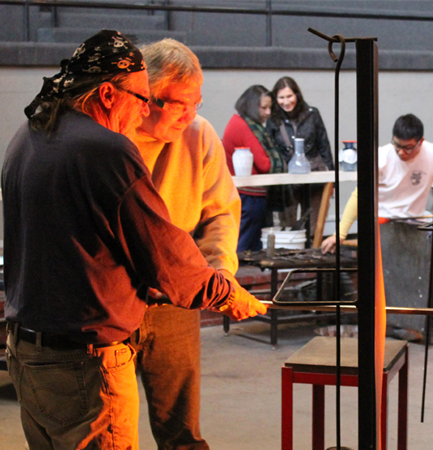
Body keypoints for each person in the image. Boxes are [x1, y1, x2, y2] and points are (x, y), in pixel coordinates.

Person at [2, 30, 266, 450]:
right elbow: (161, 251)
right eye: (145, 99)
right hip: (89, 350)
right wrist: (224, 293)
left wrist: (220, 270)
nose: (144, 110)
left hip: (32, 346)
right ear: (109, 94)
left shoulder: (33, 132)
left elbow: (216, 215)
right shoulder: (105, 148)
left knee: (177, 431)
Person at [131, 38, 253, 450]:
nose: (190, 114)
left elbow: (220, 212)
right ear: (145, 97)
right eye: (180, 103)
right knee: (108, 427)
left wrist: (220, 279)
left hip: (175, 302)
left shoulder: (199, 136)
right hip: (114, 300)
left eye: (196, 102)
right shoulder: (113, 139)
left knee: (180, 429)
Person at [321, 114, 433, 254]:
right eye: (397, 145)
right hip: (382, 224)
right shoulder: (381, 157)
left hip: (415, 224)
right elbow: (359, 196)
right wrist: (339, 234)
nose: (401, 152)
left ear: (421, 141)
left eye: (408, 148)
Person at [266, 76, 333, 236]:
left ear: (297, 95)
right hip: (287, 179)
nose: (286, 101)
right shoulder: (273, 119)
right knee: (287, 225)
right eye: (281, 97)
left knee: (315, 224)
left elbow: (324, 145)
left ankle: (314, 255)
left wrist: (332, 178)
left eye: (289, 96)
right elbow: (270, 150)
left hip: (314, 174)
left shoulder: (312, 114)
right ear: (276, 99)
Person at [222, 85, 285, 251]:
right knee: (245, 248)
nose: (268, 112)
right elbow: (265, 164)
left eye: (269, 107)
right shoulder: (243, 126)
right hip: (249, 196)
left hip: (248, 194)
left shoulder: (242, 123)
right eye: (263, 107)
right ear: (251, 105)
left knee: (249, 246)